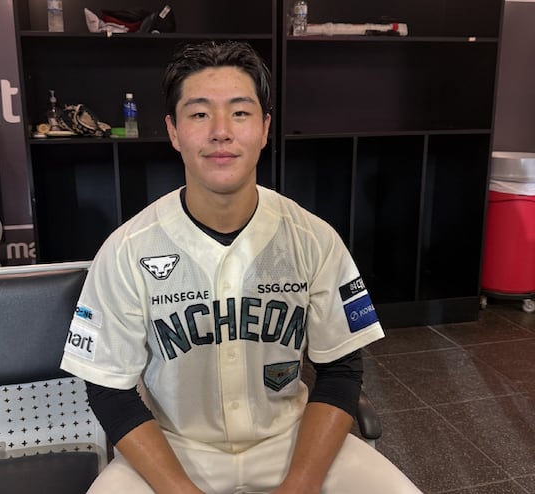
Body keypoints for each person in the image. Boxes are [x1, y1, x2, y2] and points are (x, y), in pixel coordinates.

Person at [60, 40, 422, 494]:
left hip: (291, 441)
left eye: (240, 112)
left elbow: (341, 371)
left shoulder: (314, 238)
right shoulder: (126, 250)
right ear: (173, 131)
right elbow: (109, 390)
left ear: (265, 128)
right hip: (175, 450)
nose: (221, 131)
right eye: (199, 114)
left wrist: (301, 483)